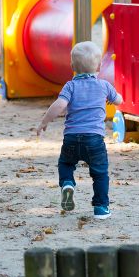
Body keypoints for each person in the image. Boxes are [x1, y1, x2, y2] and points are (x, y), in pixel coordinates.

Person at [37, 41, 123, 220]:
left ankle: (67, 183)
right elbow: (119, 101)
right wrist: (111, 98)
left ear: (72, 66)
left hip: (71, 138)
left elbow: (60, 105)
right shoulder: (104, 86)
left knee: (66, 164)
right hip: (94, 140)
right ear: (99, 66)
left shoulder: (70, 86)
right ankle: (101, 208)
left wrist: (44, 121)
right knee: (100, 174)